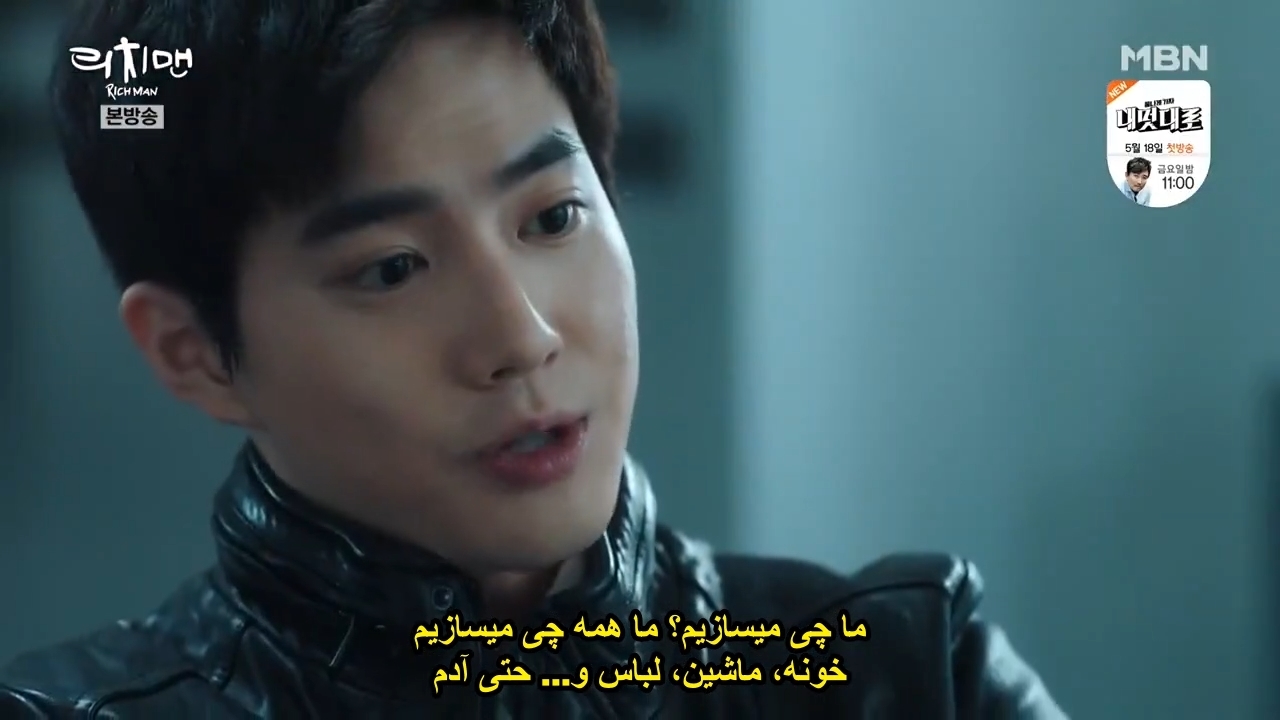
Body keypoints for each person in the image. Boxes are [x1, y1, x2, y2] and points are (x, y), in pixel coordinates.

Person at [0, 0, 1067, 717]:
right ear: (195, 354)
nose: (520, 338)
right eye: (392, 269)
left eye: (553, 217)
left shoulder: (900, 671)